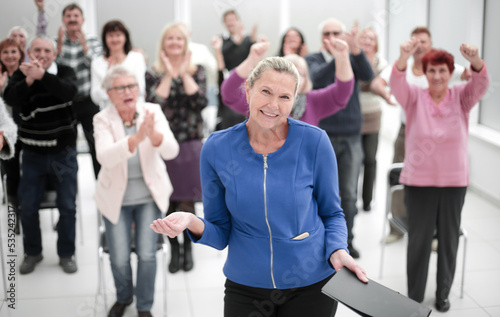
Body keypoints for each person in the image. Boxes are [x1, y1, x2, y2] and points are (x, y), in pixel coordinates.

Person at [151, 56, 368, 317]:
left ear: (294, 100)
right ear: (248, 90)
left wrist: (338, 249)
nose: (273, 105)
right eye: (266, 91)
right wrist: (189, 220)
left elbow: (332, 213)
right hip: (246, 286)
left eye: (285, 97)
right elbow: (220, 232)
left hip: (311, 282)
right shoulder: (217, 148)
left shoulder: (314, 142)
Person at [390, 40, 489, 312]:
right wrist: (403, 56)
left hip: (453, 183)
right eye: (431, 70)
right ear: (425, 72)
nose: (436, 76)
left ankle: (443, 294)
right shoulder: (414, 97)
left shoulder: (461, 97)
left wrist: (476, 60)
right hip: (418, 183)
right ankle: (415, 296)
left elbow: (481, 83)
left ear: (450, 72)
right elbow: (396, 83)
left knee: (448, 241)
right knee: (419, 241)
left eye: (442, 71)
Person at [94, 65, 179, 317]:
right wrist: (134, 139)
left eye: (132, 86)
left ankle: (144, 306)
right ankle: (123, 296)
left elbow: (171, 151)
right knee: (118, 257)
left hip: (148, 198)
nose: (128, 91)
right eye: (120, 87)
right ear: (109, 93)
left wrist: (152, 135)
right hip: (115, 198)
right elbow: (105, 157)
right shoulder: (102, 119)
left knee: (147, 254)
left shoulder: (152, 111)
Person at [381, 26, 471, 243]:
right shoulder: (405, 67)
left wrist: (473, 60)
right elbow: (383, 81)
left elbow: (469, 76)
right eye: (416, 41)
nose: (420, 45)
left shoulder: (438, 66)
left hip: (439, 139)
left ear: (430, 44)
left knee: (436, 188)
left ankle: (434, 233)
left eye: (424, 41)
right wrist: (385, 94)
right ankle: (396, 229)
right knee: (398, 179)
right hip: (407, 133)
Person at [3, 35, 79, 274]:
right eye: (37, 50)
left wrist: (42, 77)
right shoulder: (20, 74)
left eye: (47, 50)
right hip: (33, 153)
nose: (42, 54)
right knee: (28, 207)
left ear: (54, 54)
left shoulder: (65, 70)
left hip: (64, 153)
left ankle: (66, 253)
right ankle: (33, 252)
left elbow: (69, 92)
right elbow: (9, 97)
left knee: (67, 206)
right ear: (29, 52)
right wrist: (28, 79)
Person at [306, 18, 374, 258]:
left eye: (337, 32)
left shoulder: (353, 56)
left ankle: (346, 240)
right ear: (321, 37)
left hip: (351, 135)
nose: (332, 37)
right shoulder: (312, 59)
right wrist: (340, 55)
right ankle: (319, 238)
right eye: (327, 33)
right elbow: (318, 79)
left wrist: (354, 50)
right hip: (321, 137)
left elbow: (368, 75)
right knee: (318, 192)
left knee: (348, 193)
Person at [146, 22, 208, 274]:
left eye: (179, 39)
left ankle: (189, 247)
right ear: (163, 44)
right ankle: (174, 249)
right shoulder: (153, 72)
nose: (174, 42)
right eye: (169, 38)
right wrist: (170, 74)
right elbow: (153, 102)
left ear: (185, 44)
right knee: (169, 199)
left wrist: (183, 73)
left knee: (187, 200)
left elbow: (201, 101)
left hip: (191, 143)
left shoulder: (198, 69)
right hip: (164, 144)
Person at [221, 40, 354, 126]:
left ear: (306, 78)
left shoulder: (313, 101)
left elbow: (341, 93)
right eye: (291, 72)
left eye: (300, 74)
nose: (295, 78)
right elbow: (229, 93)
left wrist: (342, 58)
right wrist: (252, 60)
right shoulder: (261, 99)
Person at [55, 2, 102, 179]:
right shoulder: (55, 42)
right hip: (65, 105)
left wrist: (85, 48)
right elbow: (53, 71)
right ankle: (69, 190)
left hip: (88, 103)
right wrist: (58, 48)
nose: (72, 19)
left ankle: (102, 188)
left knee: (96, 145)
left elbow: (97, 67)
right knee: (67, 150)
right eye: (69, 16)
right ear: (63, 20)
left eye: (76, 16)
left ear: (83, 20)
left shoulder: (92, 41)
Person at [357, 28, 395, 212]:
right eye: (363, 37)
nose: (367, 41)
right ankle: (351, 198)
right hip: (354, 117)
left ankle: (367, 200)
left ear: (376, 42)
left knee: (371, 159)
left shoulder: (382, 62)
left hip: (373, 116)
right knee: (354, 159)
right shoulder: (352, 59)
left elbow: (374, 84)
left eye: (371, 38)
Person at [215, 9, 257, 130]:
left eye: (232, 19)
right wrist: (218, 49)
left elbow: (255, 61)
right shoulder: (221, 41)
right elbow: (221, 65)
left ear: (238, 21)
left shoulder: (248, 40)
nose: (230, 23)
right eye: (227, 20)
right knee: (228, 117)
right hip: (227, 82)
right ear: (224, 24)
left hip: (247, 84)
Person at [91, 20, 146, 109]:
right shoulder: (97, 63)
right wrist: (109, 74)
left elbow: (140, 90)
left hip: (135, 110)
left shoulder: (136, 58)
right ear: (104, 39)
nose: (115, 39)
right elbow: (96, 98)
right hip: (109, 113)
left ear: (125, 37)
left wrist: (112, 89)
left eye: (118, 35)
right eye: (110, 36)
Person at [0, 38, 25, 232]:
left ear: (20, 54)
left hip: (27, 130)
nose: (10, 56)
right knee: (11, 175)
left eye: (13, 51)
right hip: (6, 135)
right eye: (5, 52)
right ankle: (13, 217)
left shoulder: (25, 74)